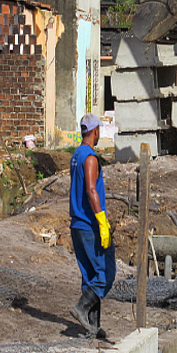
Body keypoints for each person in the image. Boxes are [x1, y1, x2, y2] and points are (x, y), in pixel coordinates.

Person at [69, 113, 116, 338]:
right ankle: (81, 308)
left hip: (77, 223)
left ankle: (92, 328)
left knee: (89, 275)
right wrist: (102, 221)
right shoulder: (90, 158)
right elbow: (91, 190)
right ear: (95, 131)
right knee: (106, 273)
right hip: (89, 224)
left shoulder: (76, 155)